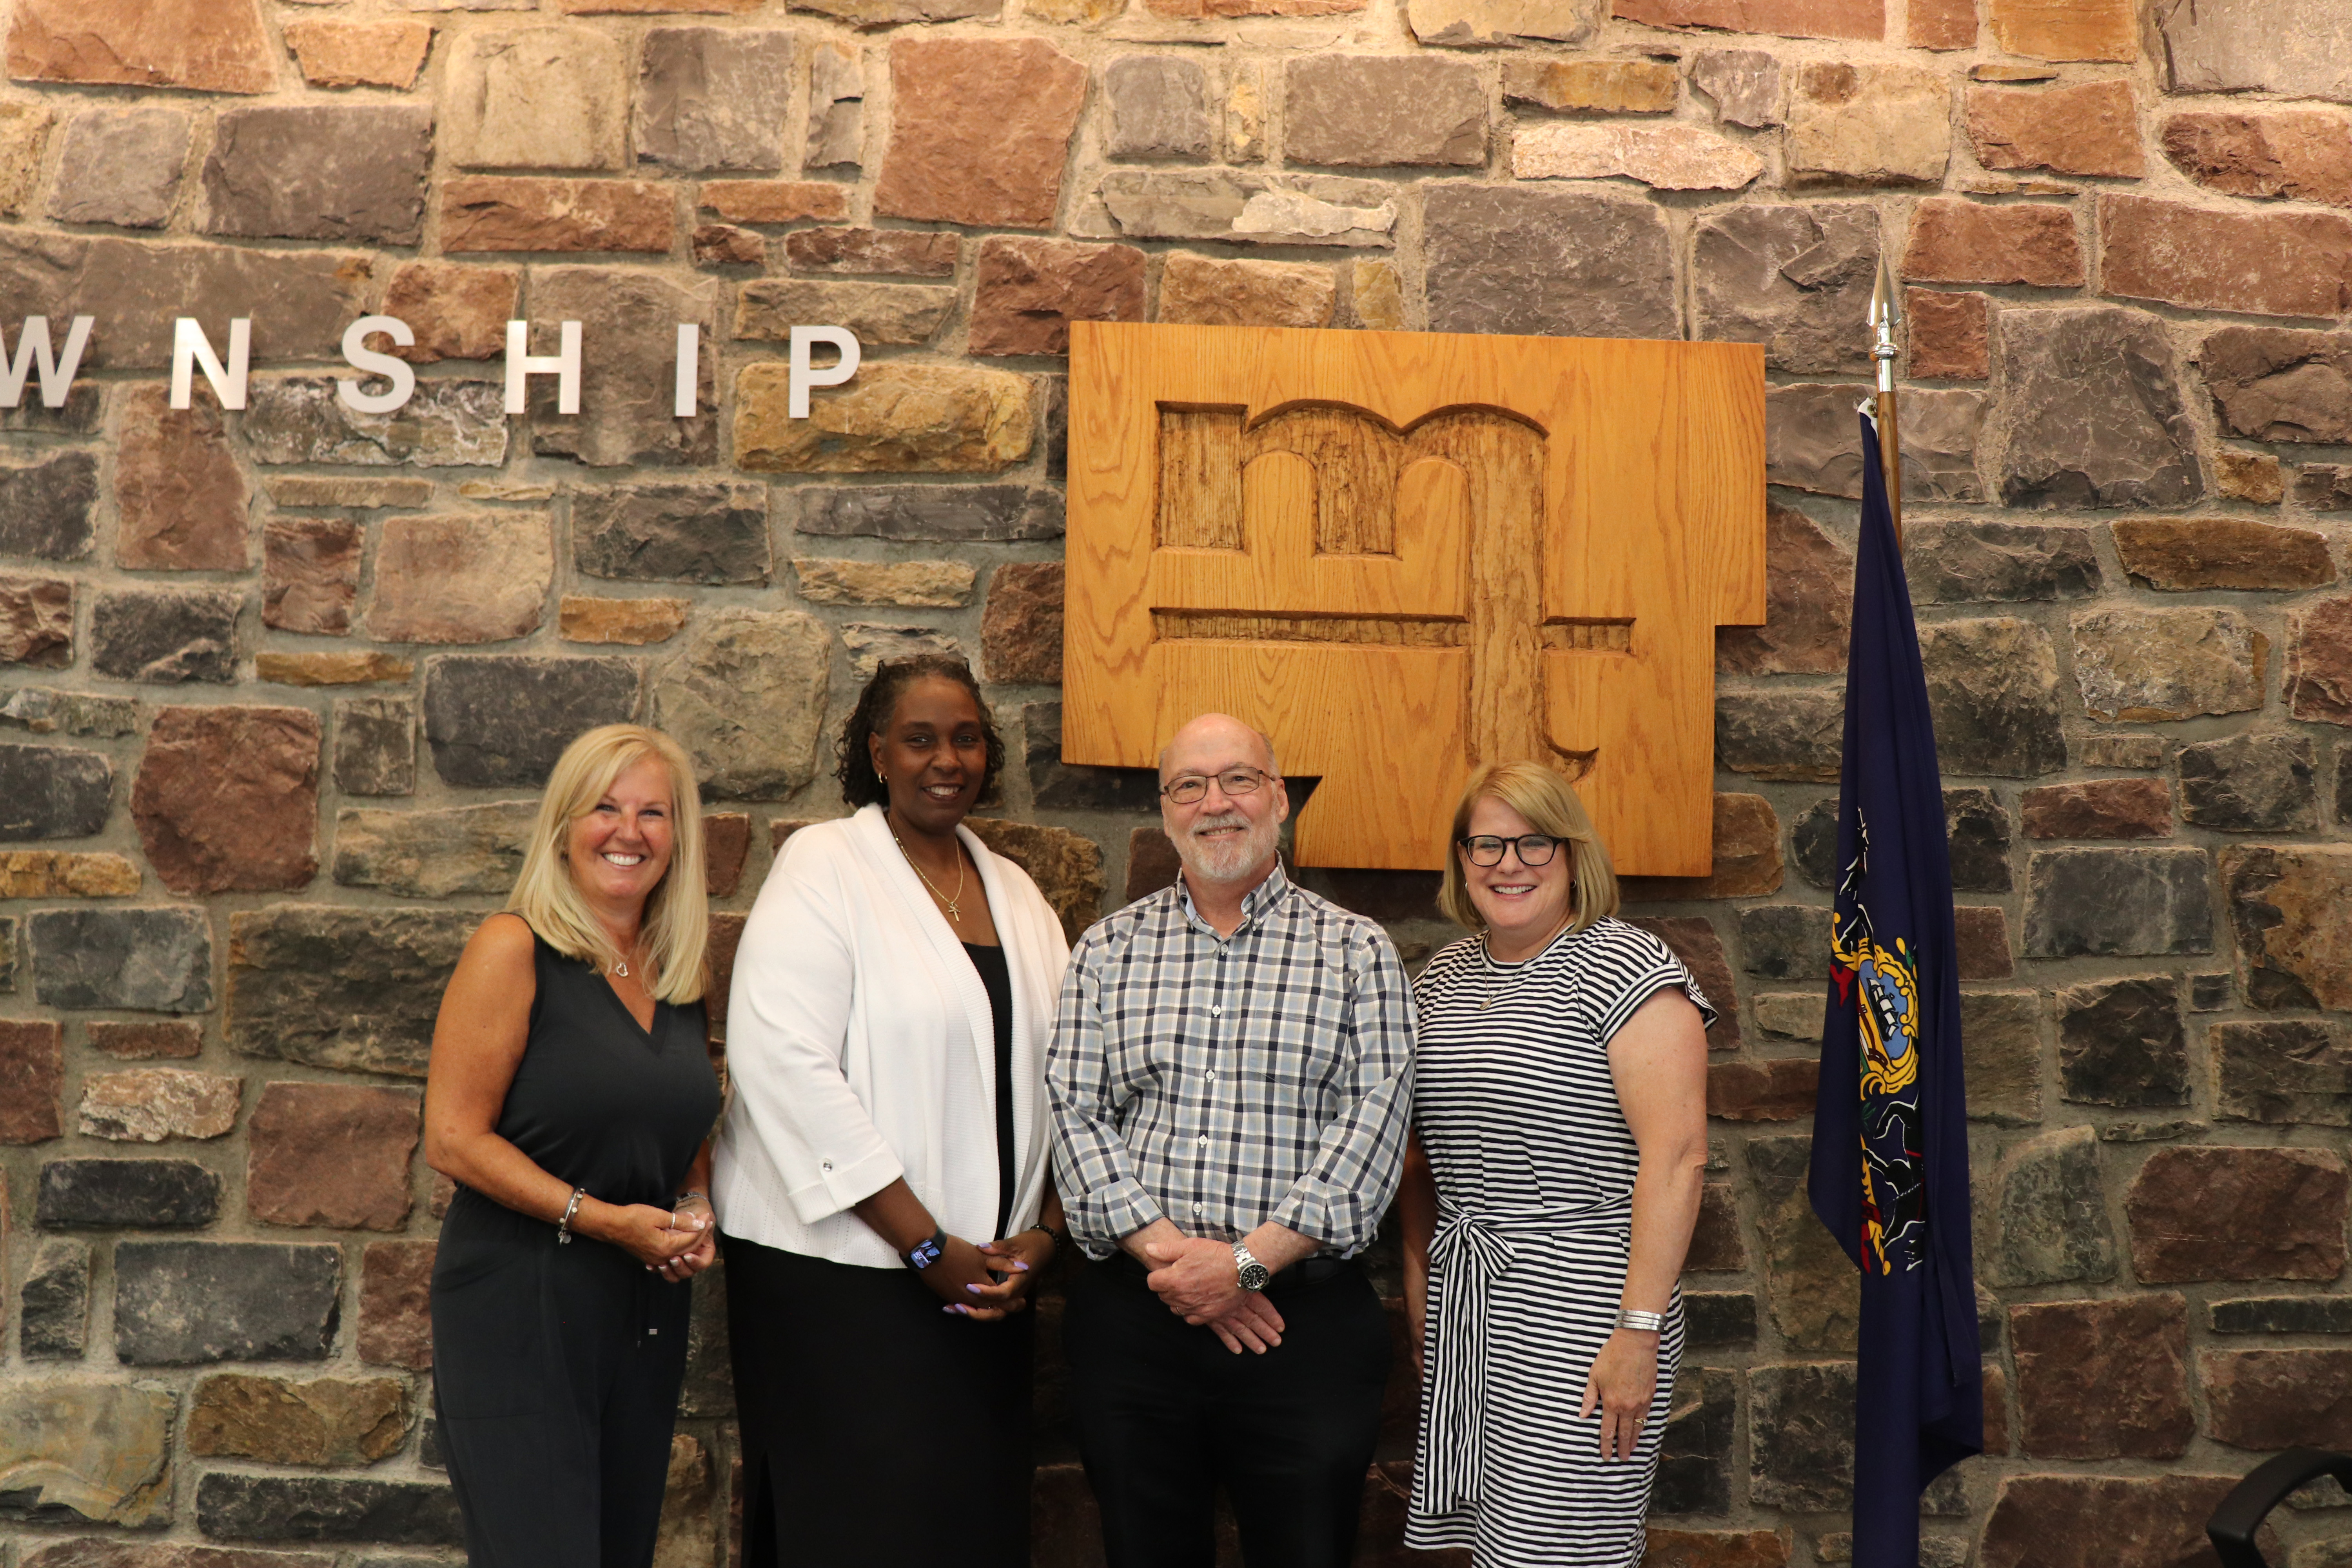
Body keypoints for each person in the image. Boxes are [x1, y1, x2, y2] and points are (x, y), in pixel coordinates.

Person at [712, 655, 1071, 1568]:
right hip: (844, 1281)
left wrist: (1043, 1236)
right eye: (920, 738)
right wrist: (921, 1242)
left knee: (968, 1526)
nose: (946, 758)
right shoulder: (825, 866)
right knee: (861, 1527)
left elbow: (1071, 1074)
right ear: (878, 752)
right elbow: (783, 1064)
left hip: (984, 1282)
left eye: (966, 738)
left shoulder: (1019, 894)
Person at [1047, 711, 1415, 1568]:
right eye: (1191, 785)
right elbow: (1074, 1113)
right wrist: (1185, 1265)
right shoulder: (1107, 950)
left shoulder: (1358, 951)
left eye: (1239, 778)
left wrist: (1246, 1265)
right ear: (1167, 808)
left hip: (1301, 1328)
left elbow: (1371, 1131)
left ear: (1279, 798)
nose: (1217, 803)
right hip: (1137, 1323)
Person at [1398, 761, 1713, 1568]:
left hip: (1587, 1310)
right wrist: (1423, 1308)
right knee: (1490, 1547)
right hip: (1473, 1300)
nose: (1510, 862)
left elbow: (1676, 1159)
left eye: (1534, 841)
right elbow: (1421, 1167)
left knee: (1563, 1547)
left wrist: (1637, 1332)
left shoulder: (1628, 969)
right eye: (1488, 844)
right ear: (1461, 860)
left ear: (1574, 854)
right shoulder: (1441, 979)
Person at [422, 724, 723, 1568]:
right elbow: (451, 1136)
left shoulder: (676, 965)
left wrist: (696, 1204)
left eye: (653, 812)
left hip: (640, 1309)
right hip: (522, 1302)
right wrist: (603, 1220)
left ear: (678, 836)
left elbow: (683, 1118)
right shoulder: (513, 947)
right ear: (564, 825)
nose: (629, 832)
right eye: (606, 807)